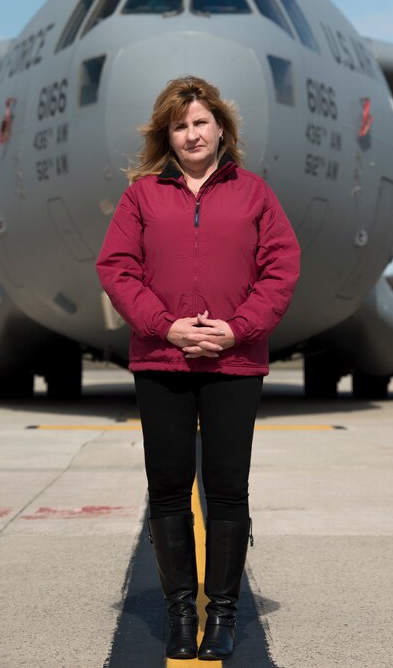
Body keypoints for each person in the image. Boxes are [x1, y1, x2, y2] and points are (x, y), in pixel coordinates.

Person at [96, 76, 300, 661]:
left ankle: (225, 614)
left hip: (234, 361)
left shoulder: (256, 195)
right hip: (162, 359)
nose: (192, 133)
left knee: (227, 490)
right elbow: (117, 269)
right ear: (168, 134)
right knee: (167, 491)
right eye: (180, 125)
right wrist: (167, 327)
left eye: (201, 122)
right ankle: (181, 613)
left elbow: (281, 269)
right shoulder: (141, 197)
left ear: (220, 129)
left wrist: (238, 329)